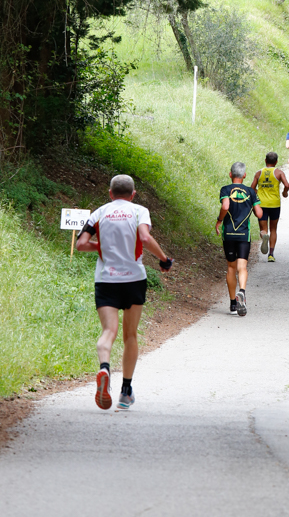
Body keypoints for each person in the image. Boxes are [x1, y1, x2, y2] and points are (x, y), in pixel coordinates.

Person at [76, 174, 173, 412]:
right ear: (133, 194)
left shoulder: (99, 213)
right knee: (130, 336)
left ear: (110, 193)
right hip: (133, 279)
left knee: (108, 331)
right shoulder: (139, 211)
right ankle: (125, 392)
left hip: (106, 280)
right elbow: (145, 237)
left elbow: (81, 244)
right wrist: (163, 259)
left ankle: (104, 368)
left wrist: (104, 246)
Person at [215, 162, 263, 316]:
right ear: (245, 175)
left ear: (230, 174)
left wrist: (219, 221)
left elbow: (225, 206)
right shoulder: (250, 191)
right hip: (244, 234)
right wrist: (253, 204)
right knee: (242, 266)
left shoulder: (225, 189)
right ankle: (242, 291)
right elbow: (259, 214)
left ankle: (232, 304)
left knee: (231, 267)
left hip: (229, 233)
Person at [251, 152, 289, 261]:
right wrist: (285, 192)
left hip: (261, 204)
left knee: (263, 229)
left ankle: (264, 236)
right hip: (274, 204)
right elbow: (287, 185)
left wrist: (258, 192)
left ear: (265, 160)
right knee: (273, 229)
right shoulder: (279, 173)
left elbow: (252, 188)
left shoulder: (259, 173)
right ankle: (271, 254)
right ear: (276, 162)